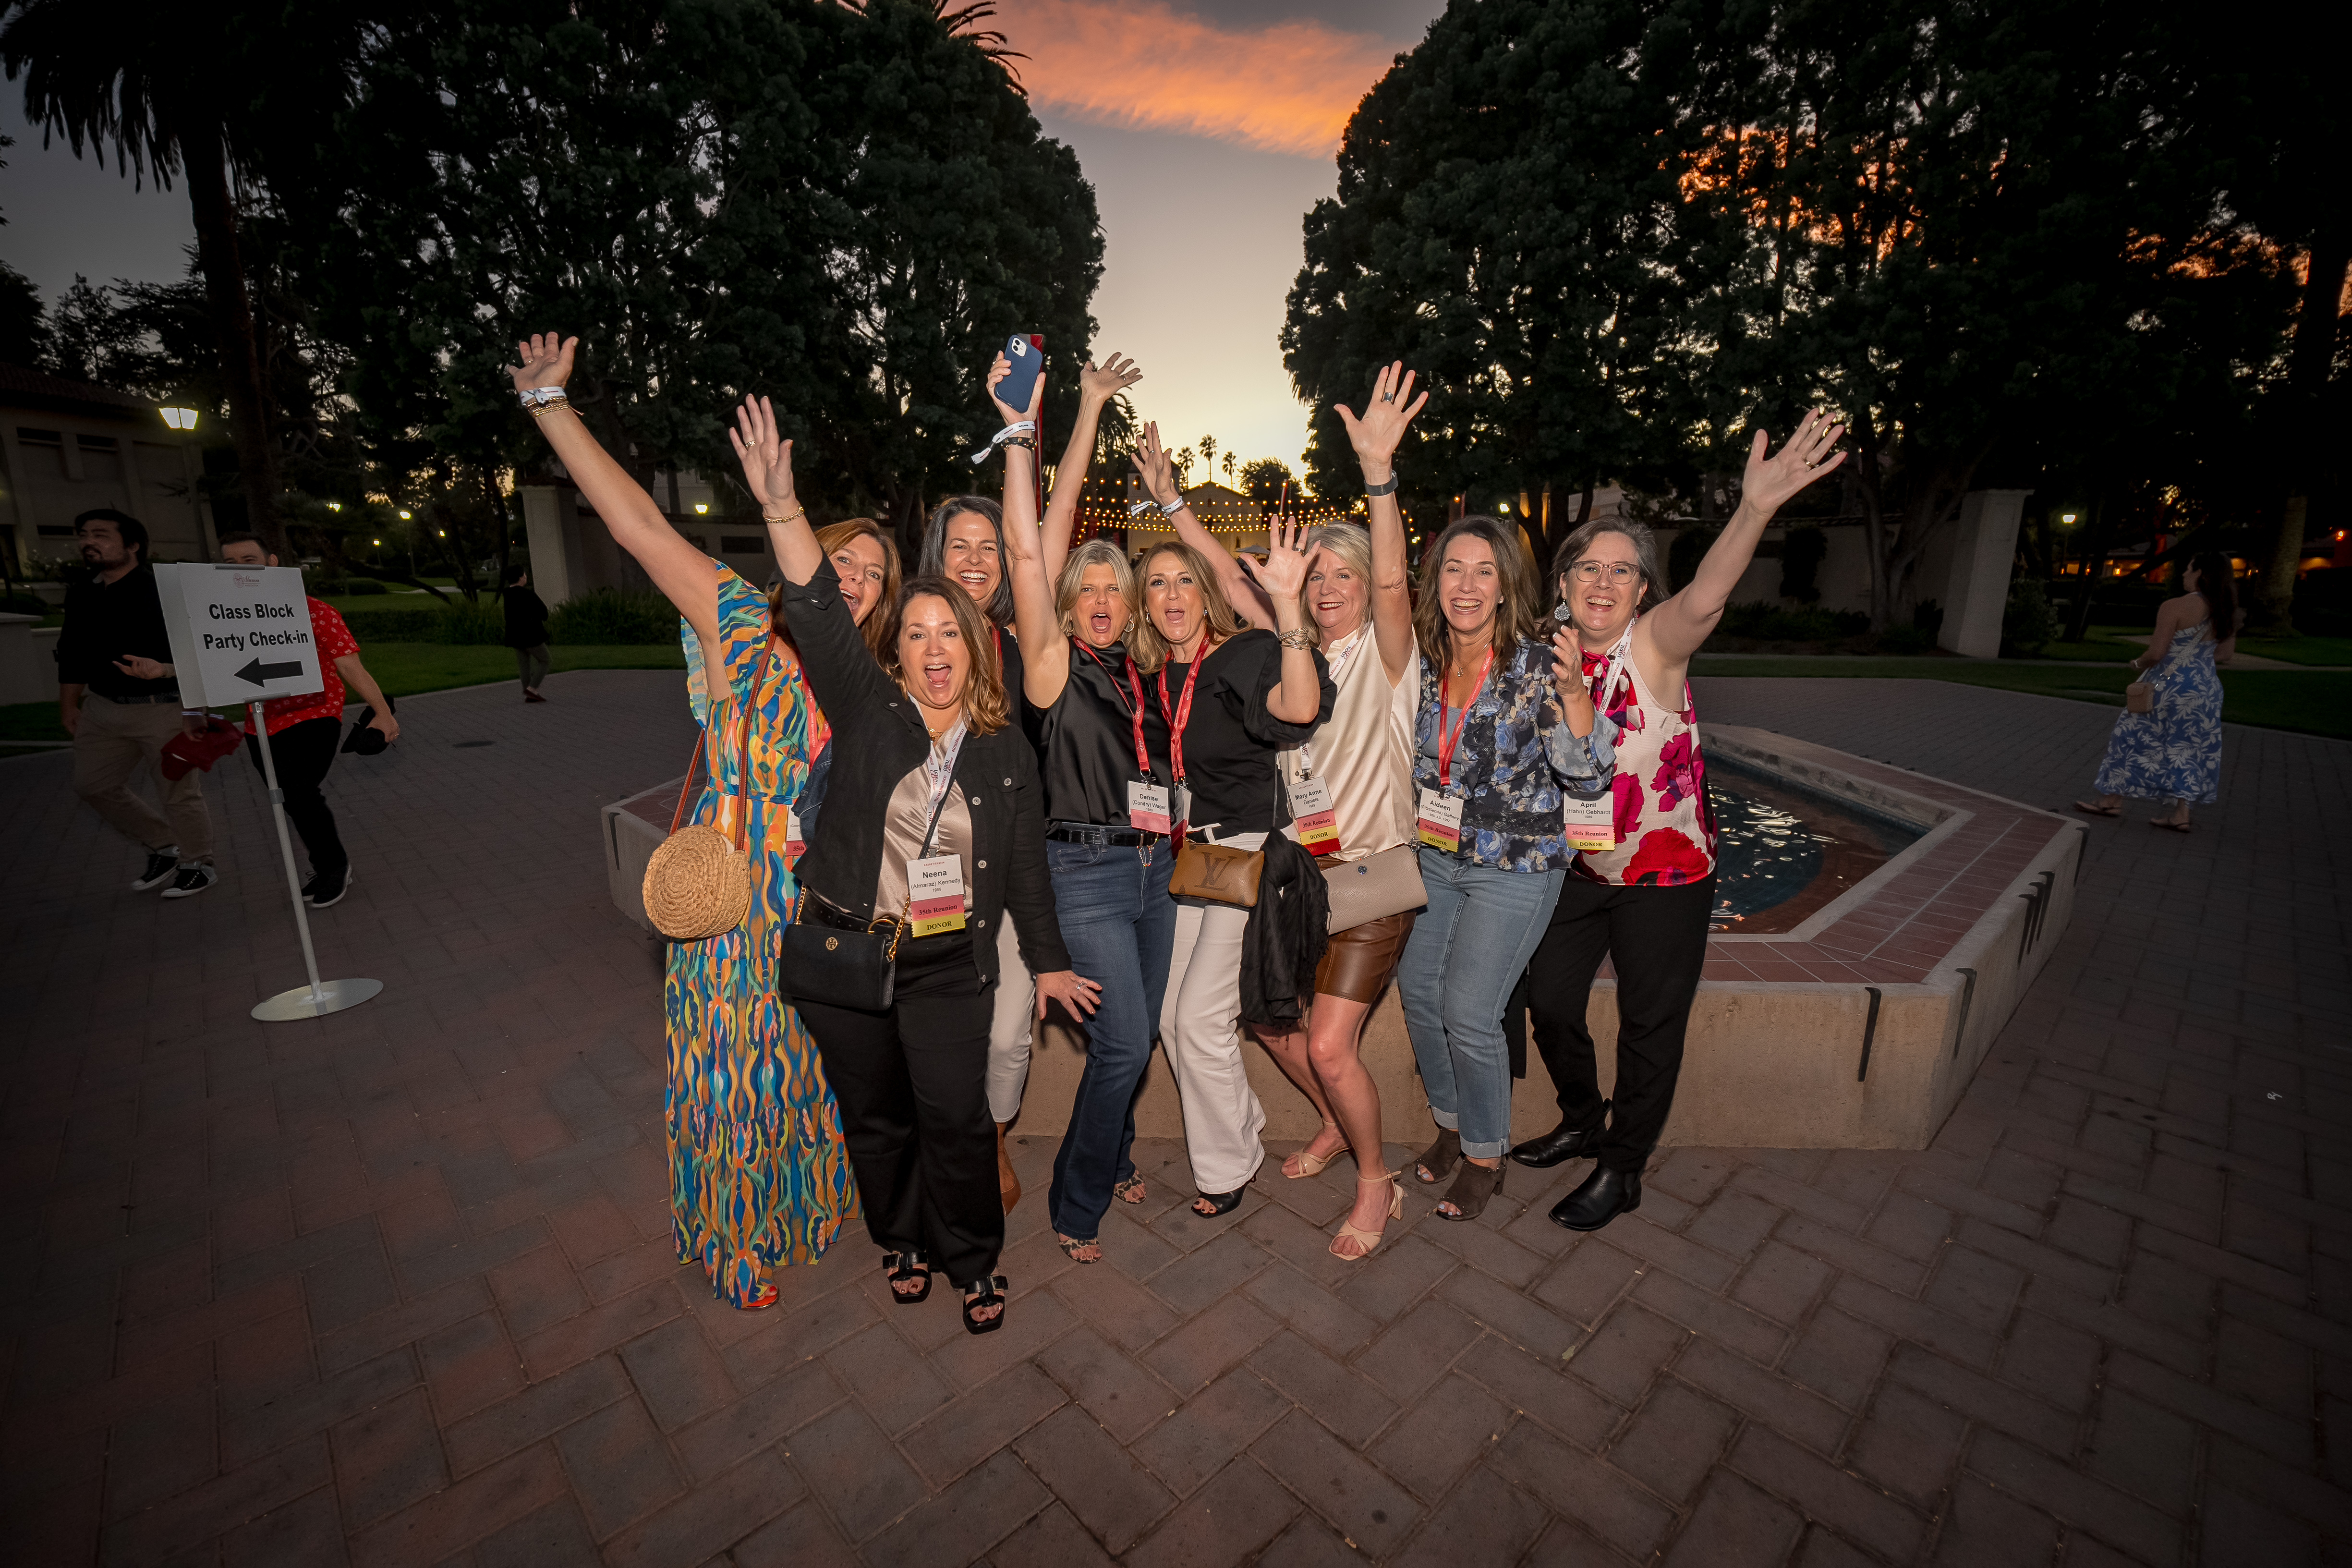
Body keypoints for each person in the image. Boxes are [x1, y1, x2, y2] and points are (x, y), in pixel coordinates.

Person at [729, 389, 1101, 1335]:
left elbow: (1022, 868)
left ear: (979, 647)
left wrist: (1050, 959)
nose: (938, 649)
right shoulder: (866, 708)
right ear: (895, 648)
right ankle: (898, 1240)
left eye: (954, 635)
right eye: (919, 634)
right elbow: (813, 606)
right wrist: (780, 503)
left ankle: (972, 1258)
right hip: (843, 961)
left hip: (947, 968)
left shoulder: (1001, 746)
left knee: (957, 1121)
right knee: (878, 1121)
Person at [508, 332, 860, 1310]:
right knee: (724, 1065)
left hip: (813, 892)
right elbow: (635, 528)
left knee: (802, 1056)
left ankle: (805, 1205)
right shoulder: (740, 622)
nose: (859, 582)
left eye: (875, 575)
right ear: (806, 569)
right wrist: (551, 408)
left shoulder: (864, 681)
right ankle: (732, 1239)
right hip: (730, 877)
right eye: (846, 564)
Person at [1516, 413, 1847, 1231]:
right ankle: (1581, 1118)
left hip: (1665, 878)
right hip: (1581, 870)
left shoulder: (1654, 645)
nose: (1601, 583)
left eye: (1622, 572)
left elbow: (1707, 595)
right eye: (1586, 569)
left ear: (1641, 591)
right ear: (1561, 582)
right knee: (1550, 1001)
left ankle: (1621, 1169)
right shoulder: (1544, 652)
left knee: (1647, 1023)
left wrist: (1753, 510)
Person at [1158, 364, 1425, 1259]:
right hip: (1294, 877)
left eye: (1341, 574)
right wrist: (1169, 509)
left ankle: (1374, 1179)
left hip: (1368, 880)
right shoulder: (1290, 648)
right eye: (1317, 576)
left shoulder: (1388, 657)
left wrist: (1379, 480)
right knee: (1270, 1022)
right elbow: (1229, 586)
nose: (1329, 587)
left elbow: (1393, 587)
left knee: (1331, 1044)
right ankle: (1328, 1125)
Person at [988, 351, 1174, 1264]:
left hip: (1157, 872)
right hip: (1087, 875)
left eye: (1115, 587)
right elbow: (1033, 541)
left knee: (1128, 1043)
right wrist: (1061, 418)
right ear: (1064, 602)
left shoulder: (1139, 672)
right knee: (1124, 1043)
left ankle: (1120, 1150)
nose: (1102, 598)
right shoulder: (1051, 667)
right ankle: (1077, 1198)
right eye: (1086, 587)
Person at [1128, 423, 1336, 1219]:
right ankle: (1241, 1124)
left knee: (1197, 1016)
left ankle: (1225, 1168)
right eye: (1157, 585)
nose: (1172, 596)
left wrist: (1285, 608)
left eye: (1184, 582)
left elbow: (1298, 706)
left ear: (1204, 594)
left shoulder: (1243, 653)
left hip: (1245, 849)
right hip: (1187, 858)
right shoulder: (1154, 670)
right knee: (1169, 1016)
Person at [1396, 514, 1615, 1222]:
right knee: (1419, 994)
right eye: (1453, 568)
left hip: (1515, 866)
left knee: (1469, 1010)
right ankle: (1453, 1126)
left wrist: (1577, 695)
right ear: (1435, 581)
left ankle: (1485, 1157)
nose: (1466, 584)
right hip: (1437, 854)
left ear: (1504, 585)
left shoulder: (1534, 662)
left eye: (1483, 570)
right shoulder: (1427, 657)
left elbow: (1586, 782)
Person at [917, 486, 1042, 1211]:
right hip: (925, 869)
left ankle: (993, 1135)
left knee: (1004, 1035)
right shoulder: (903, 637)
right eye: (959, 545)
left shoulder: (1018, 645)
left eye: (988, 547)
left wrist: (1029, 430)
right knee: (935, 1029)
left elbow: (1043, 538)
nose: (973, 559)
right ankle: (945, 1147)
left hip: (1006, 865)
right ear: (938, 554)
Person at [217, 533, 398, 907]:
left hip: (315, 714)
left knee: (299, 791)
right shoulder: (221, 616)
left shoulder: (315, 611)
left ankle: (334, 867)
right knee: (289, 798)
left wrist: (382, 712)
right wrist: (164, 671)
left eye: (249, 560)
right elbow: (211, 665)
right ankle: (327, 863)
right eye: (230, 564)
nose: (239, 570)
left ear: (272, 563)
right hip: (261, 722)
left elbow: (349, 665)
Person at [54, 508, 218, 899]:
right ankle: (164, 846)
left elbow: (202, 651)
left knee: (178, 792)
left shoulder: (164, 590)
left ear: (133, 546)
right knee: (92, 785)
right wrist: (69, 706)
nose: (89, 541)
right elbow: (72, 653)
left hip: (163, 708)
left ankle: (199, 863)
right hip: (103, 709)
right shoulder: (83, 591)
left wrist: (177, 689)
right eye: (84, 534)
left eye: (101, 534)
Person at [2076, 550, 2236, 832]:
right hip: (2206, 689)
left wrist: (2136, 663)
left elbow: (2157, 653)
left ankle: (2111, 799)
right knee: (2188, 748)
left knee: (2132, 735)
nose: (2185, 574)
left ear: (2201, 573)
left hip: (2167, 685)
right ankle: (2181, 814)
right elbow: (2225, 655)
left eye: (2189, 568)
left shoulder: (2174, 606)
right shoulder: (2225, 610)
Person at [503, 564, 552, 702]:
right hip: (531, 636)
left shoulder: (508, 596)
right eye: (524, 575)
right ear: (520, 578)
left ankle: (531, 695)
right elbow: (543, 612)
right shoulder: (528, 594)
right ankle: (532, 689)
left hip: (515, 637)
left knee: (524, 666)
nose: (526, 577)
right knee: (545, 660)